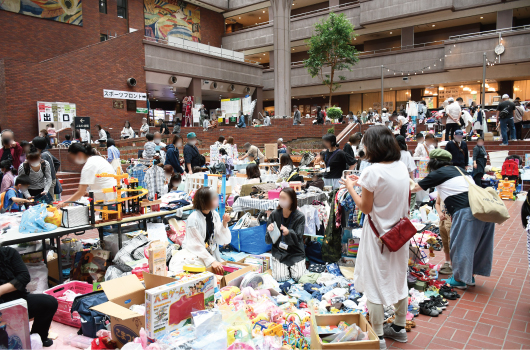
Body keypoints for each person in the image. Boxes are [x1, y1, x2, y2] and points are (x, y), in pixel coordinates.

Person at [340, 126, 410, 347]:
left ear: (373, 146)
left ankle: (378, 335)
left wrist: (351, 186)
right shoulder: (401, 167)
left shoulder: (372, 171)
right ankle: (399, 326)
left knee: (375, 280)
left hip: (379, 235)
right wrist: (361, 182)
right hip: (399, 233)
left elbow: (365, 207)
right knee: (398, 277)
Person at [413, 149, 495, 289]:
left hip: (466, 212)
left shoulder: (438, 173)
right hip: (483, 210)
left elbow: (414, 188)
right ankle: (469, 276)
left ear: (433, 162)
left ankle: (459, 280)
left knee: (460, 245)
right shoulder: (459, 169)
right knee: (477, 246)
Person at [0, 246, 58, 347]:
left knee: (49, 302)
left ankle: (38, 337)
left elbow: (24, 277)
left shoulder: (8, 253)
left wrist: (1, 290)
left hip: (17, 300)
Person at [169, 187, 231, 274]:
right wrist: (211, 261)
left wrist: (224, 223)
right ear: (205, 201)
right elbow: (195, 245)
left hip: (208, 251)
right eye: (213, 198)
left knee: (220, 266)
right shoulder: (193, 218)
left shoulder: (214, 214)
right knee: (197, 266)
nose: (216, 201)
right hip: (194, 252)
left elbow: (221, 239)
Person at [56, 143, 116, 208]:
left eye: (73, 158)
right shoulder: (98, 158)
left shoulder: (88, 166)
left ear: (79, 154)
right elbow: (102, 180)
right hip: (115, 195)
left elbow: (81, 192)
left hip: (109, 199)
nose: (74, 161)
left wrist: (64, 203)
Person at [265, 187, 306, 282]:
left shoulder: (300, 216)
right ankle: (285, 269)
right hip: (279, 251)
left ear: (291, 200)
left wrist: (288, 233)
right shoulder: (274, 214)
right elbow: (267, 240)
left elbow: (299, 238)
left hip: (295, 252)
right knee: (280, 278)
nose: (281, 200)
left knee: (299, 278)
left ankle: (292, 269)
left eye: (284, 198)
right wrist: (269, 230)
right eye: (280, 198)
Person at [436, 193, 453, 275]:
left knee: (452, 242)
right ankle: (447, 262)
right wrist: (439, 213)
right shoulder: (440, 189)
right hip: (442, 219)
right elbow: (437, 203)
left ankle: (453, 265)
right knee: (445, 241)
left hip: (451, 219)